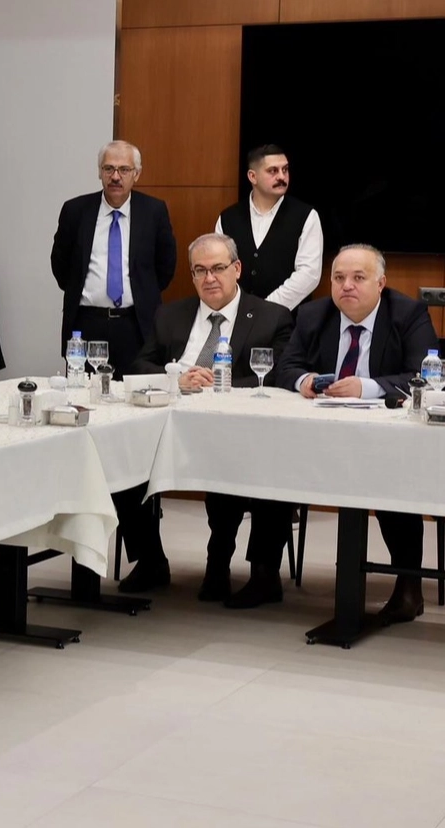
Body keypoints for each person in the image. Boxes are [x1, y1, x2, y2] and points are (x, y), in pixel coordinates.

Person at [121, 233, 295, 606]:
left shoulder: (271, 317)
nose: (209, 278)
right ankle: (150, 560)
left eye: (218, 268)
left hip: (241, 433)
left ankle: (242, 568)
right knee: (120, 460)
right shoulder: (170, 314)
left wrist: (218, 383)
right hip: (171, 428)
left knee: (271, 463)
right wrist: (175, 379)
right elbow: (138, 366)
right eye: (199, 271)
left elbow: (278, 376)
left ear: (237, 269)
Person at [278, 243, 437, 622]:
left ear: (381, 283)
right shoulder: (314, 314)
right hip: (320, 435)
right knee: (273, 460)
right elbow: (285, 366)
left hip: (388, 440)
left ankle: (408, 585)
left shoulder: (407, 313)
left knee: (392, 480)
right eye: (338, 278)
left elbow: (425, 376)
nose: (346, 286)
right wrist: (305, 380)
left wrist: (366, 387)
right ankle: (264, 573)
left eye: (358, 278)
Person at [51, 140, 176, 378]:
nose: (115, 177)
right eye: (109, 169)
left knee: (136, 392)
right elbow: (61, 264)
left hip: (135, 324)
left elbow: (165, 266)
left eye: (124, 170)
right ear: (100, 172)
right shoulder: (75, 211)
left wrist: (142, 292)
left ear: (137, 174)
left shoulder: (153, 211)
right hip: (86, 324)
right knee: (84, 393)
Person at [216, 144, 322, 310]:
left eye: (285, 170)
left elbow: (309, 274)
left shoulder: (306, 216)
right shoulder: (228, 218)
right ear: (252, 176)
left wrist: (265, 310)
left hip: (288, 318)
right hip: (237, 315)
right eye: (273, 171)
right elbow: (219, 268)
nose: (282, 177)